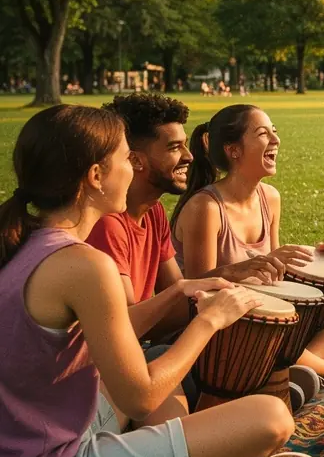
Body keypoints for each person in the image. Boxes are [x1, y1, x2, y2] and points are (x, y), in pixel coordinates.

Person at [0, 106, 319, 457]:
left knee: (151, 386)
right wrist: (208, 321)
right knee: (271, 418)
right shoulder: (83, 264)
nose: (132, 170)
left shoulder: (27, 238)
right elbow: (141, 398)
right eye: (124, 159)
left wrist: (175, 293)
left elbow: (109, 330)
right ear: (96, 176)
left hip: (28, 449)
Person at [171, 104, 324, 389]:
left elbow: (276, 278)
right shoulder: (206, 207)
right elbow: (196, 293)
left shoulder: (269, 198)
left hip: (264, 315)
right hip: (224, 327)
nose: (276, 140)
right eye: (263, 134)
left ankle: (294, 373)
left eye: (275, 132)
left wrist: (318, 259)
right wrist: (241, 270)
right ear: (233, 150)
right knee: (278, 334)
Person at [87, 94, 284, 342]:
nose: (189, 156)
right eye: (173, 147)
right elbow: (129, 329)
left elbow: (179, 295)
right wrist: (221, 293)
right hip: (127, 361)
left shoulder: (153, 212)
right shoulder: (109, 225)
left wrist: (233, 278)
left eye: (184, 144)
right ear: (135, 159)